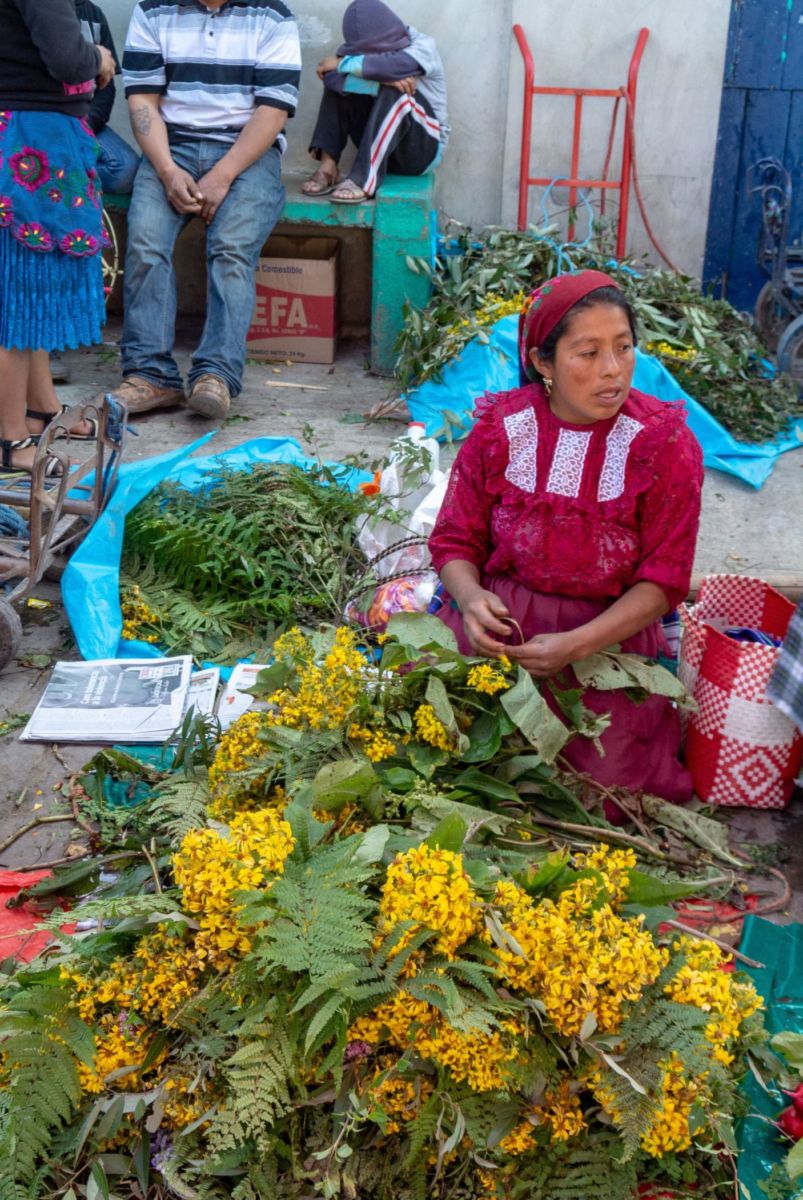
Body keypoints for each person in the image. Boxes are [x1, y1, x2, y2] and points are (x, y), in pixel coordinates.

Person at [428, 270, 704, 810]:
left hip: (607, 642)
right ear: (543, 362)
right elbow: (455, 541)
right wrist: (470, 598)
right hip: (499, 632)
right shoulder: (501, 430)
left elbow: (665, 580)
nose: (612, 369)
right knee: (448, 754)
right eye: (588, 353)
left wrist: (576, 645)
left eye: (623, 347)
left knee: (598, 795)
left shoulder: (663, 444)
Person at [111, 0, 302, 420]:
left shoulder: (272, 16)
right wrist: (166, 170)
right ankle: (150, 375)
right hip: (170, 147)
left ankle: (216, 373)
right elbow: (142, 99)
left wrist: (224, 173)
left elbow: (273, 109)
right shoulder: (153, 11)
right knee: (146, 243)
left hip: (247, 153)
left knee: (231, 248)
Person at [0, 0, 115, 475]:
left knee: (30, 289)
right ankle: (9, 440)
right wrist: (99, 58)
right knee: (16, 299)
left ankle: (41, 409)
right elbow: (69, 59)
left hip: (23, 131)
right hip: (27, 137)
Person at [302, 0, 448, 204]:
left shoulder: (422, 46)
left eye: (376, 55)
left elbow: (394, 66)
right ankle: (329, 167)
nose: (370, 59)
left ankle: (363, 180)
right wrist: (380, 80)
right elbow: (330, 77)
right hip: (382, 149)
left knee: (395, 89)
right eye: (365, 56)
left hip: (420, 151)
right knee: (341, 88)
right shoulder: (358, 48)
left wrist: (343, 63)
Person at [76, 0, 140, 195]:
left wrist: (86, 126)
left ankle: (56, 174)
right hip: (42, 119)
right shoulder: (39, 10)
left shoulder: (93, 14)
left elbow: (106, 86)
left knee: (125, 170)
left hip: (85, 119)